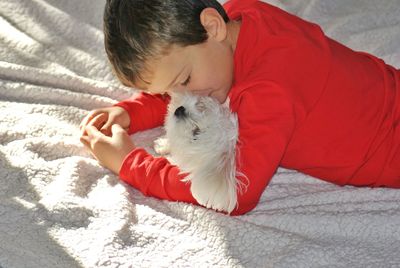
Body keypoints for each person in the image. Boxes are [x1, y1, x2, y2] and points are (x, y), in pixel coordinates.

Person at [80, 0, 400, 215]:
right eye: (167, 91)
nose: (181, 98)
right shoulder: (234, 16)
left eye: (184, 80)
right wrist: (133, 111)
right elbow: (183, 73)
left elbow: (232, 192)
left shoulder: (270, 89)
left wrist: (129, 163)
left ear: (212, 27)